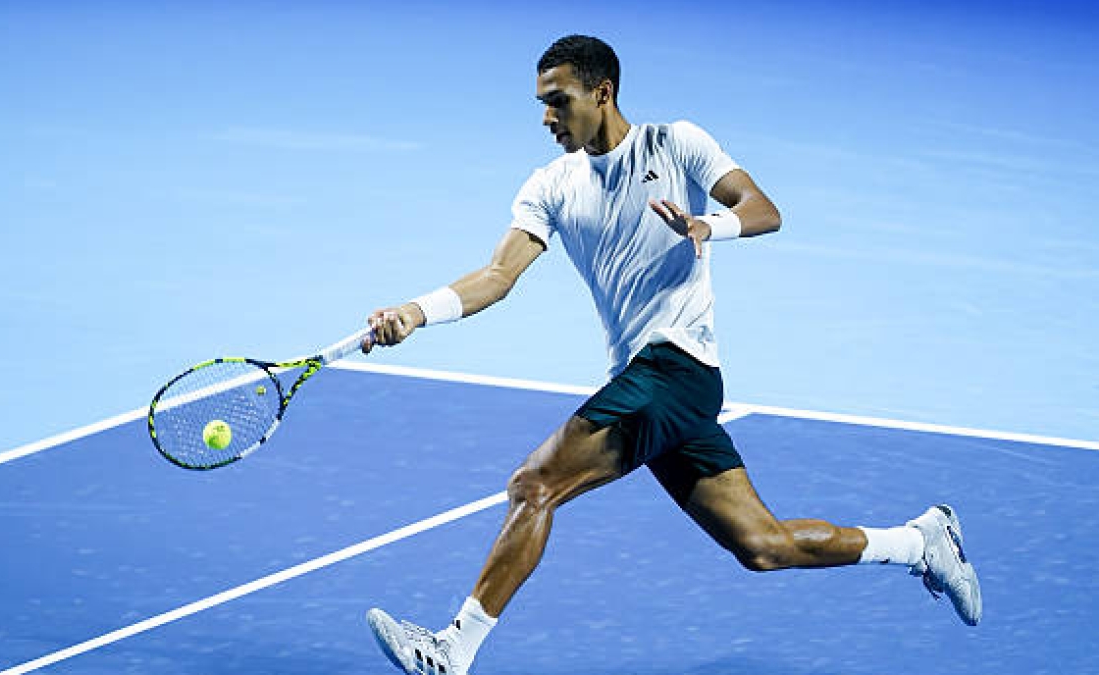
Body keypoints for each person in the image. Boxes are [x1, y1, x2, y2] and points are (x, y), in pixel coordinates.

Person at [361, 34, 981, 675]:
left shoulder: (676, 143)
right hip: (646, 378)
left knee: (533, 485)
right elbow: (497, 274)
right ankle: (919, 542)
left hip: (676, 368)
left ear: (601, 93)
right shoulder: (550, 186)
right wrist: (416, 310)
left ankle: (452, 650)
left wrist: (710, 224)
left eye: (559, 101)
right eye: (540, 103)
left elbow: (764, 209)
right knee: (761, 545)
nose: (547, 117)